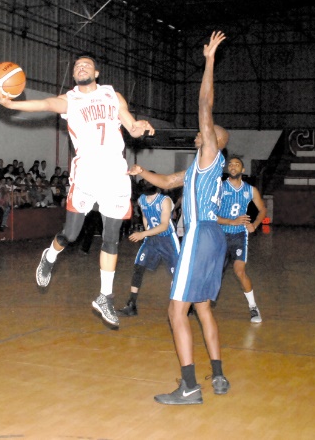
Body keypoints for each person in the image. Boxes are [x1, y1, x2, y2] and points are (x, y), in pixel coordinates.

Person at [0, 54, 154, 328]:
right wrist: (11, 103)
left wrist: (142, 128)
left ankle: (105, 296)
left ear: (97, 72)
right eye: (77, 66)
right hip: (87, 172)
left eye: (86, 64)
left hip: (115, 172)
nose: (81, 67)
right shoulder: (70, 100)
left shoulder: (114, 96)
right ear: (74, 75)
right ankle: (50, 255)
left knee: (111, 238)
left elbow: (132, 127)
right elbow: (43, 104)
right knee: (71, 234)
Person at [129, 31, 230, 405]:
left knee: (175, 310)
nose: (201, 133)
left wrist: (208, 61)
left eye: (207, 133)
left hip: (200, 234)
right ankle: (218, 375)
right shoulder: (196, 171)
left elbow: (205, 105)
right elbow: (167, 181)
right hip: (213, 238)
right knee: (202, 307)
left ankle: (189, 386)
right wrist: (141, 173)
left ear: (212, 139)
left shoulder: (209, 155)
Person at [118, 180, 180, 317]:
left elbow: (164, 225)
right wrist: (147, 231)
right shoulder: (142, 200)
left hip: (167, 239)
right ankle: (131, 304)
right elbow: (145, 217)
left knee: (178, 273)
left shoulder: (165, 200)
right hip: (152, 239)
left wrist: (143, 233)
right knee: (138, 267)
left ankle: (187, 305)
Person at [217, 156, 267, 322]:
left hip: (239, 235)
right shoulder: (220, 188)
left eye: (236, 164)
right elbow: (210, 214)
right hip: (220, 234)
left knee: (239, 271)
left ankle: (253, 307)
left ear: (242, 170)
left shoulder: (250, 190)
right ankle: (197, 302)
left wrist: (255, 224)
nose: (233, 166)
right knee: (214, 272)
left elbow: (262, 210)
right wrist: (231, 221)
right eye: (230, 164)